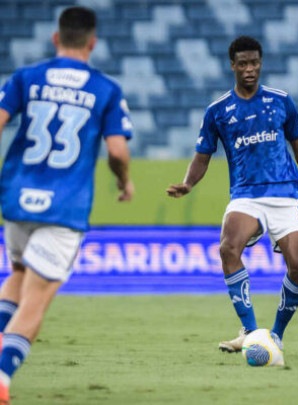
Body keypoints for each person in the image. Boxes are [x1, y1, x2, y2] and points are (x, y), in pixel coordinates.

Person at [0, 6, 134, 403]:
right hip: (64, 205)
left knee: (20, 275)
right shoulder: (106, 90)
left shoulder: (26, 77)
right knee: (36, 297)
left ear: (56, 38)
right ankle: (2, 377)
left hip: (18, 198)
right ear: (92, 43)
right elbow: (117, 150)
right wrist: (123, 180)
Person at [167, 35, 298, 354]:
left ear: (261, 63)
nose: (249, 69)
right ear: (232, 66)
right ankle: (252, 330)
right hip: (246, 195)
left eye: (254, 62)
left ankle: (276, 335)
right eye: (242, 63)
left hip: (287, 191)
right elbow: (202, 156)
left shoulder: (282, 101)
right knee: (228, 248)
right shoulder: (218, 111)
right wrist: (188, 183)